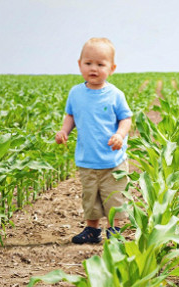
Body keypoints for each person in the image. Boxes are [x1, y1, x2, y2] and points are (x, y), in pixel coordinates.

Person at [55, 37, 132, 244]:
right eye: (88, 63)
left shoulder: (115, 95)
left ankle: (115, 230)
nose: (94, 68)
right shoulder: (76, 93)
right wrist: (64, 132)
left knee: (115, 197)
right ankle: (92, 230)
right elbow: (71, 116)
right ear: (79, 64)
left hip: (113, 161)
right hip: (87, 160)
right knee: (91, 199)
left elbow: (126, 118)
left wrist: (120, 135)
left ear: (112, 68)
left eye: (100, 64)